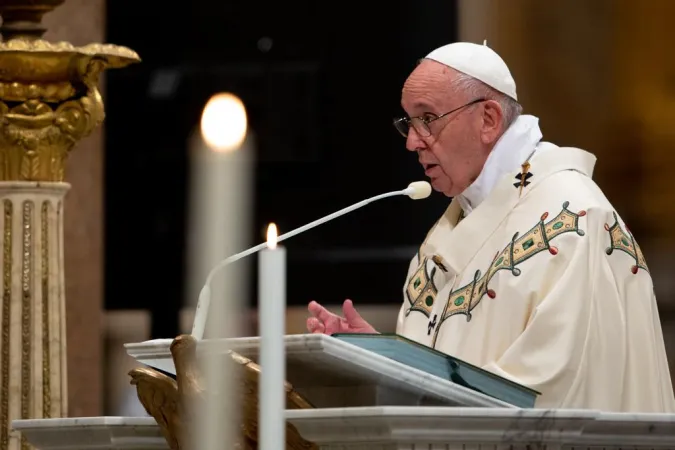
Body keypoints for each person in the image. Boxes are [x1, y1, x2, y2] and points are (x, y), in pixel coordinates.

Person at [306, 41, 675, 412]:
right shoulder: (453, 226)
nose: (413, 142)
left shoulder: (574, 219)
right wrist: (382, 359)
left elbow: (558, 392)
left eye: (428, 119)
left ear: (488, 120)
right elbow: (444, 372)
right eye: (409, 122)